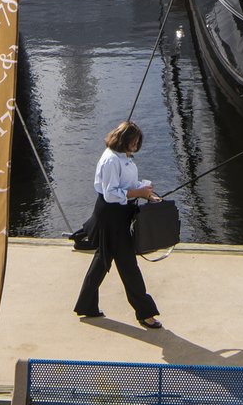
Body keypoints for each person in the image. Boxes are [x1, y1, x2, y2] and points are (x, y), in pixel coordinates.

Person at [73, 120, 163, 329]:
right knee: (128, 266)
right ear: (122, 140)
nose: (135, 146)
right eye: (132, 142)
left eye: (137, 142)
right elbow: (111, 194)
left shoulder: (124, 158)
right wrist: (139, 193)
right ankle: (145, 313)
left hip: (118, 215)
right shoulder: (111, 161)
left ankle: (86, 305)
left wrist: (145, 190)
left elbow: (125, 186)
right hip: (112, 217)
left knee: (102, 261)